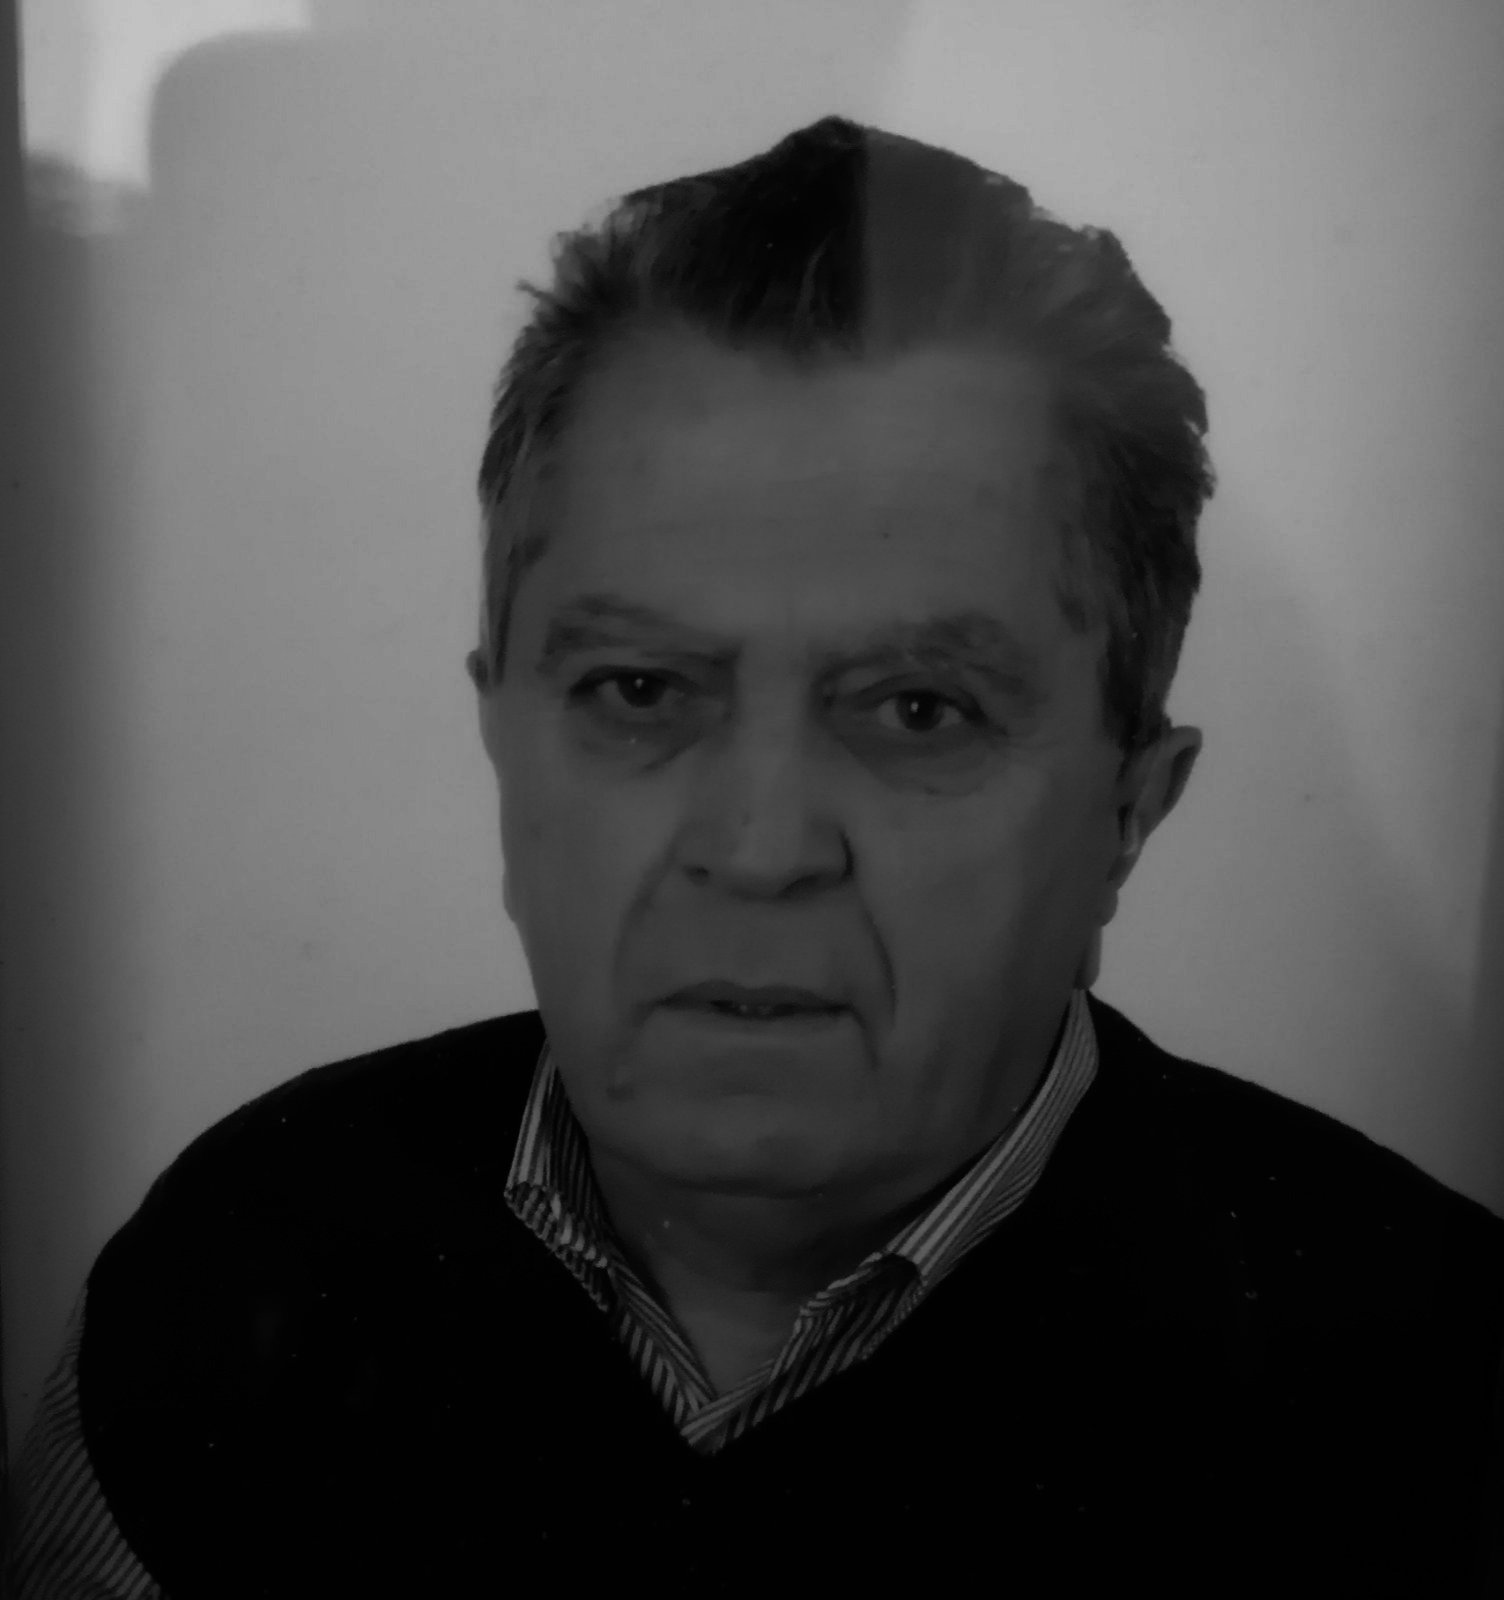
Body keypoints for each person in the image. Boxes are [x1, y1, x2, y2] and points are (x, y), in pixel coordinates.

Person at [7, 115, 1503, 1598]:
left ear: (1132, 810)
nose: (761, 848)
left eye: (919, 710)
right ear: (503, 742)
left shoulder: (1445, 1396)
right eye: (639, 690)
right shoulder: (245, 1254)